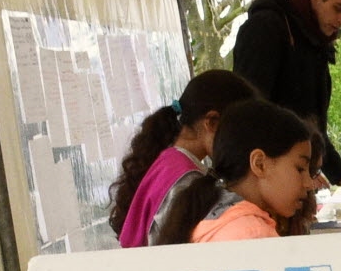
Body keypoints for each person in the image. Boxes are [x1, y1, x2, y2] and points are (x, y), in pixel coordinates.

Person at [231, 0, 341, 198]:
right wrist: (295, 171)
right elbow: (251, 112)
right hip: (264, 179)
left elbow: (314, 125)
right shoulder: (267, 27)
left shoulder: (315, 42)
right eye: (338, 8)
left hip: (288, 175)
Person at [108, 70, 259, 248]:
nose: (245, 144)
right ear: (211, 122)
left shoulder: (169, 162)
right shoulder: (183, 177)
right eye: (240, 132)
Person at [150, 100, 317, 244]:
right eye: (300, 169)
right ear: (259, 164)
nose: (309, 184)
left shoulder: (212, 218)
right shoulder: (254, 236)